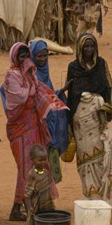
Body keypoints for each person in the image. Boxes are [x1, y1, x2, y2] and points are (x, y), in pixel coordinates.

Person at [1, 42, 67, 221]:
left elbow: (39, 90)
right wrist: (31, 86)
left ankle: (29, 205)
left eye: (26, 56)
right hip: (19, 128)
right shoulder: (11, 75)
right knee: (25, 167)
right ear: (15, 57)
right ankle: (18, 207)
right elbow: (20, 97)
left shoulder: (30, 73)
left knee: (32, 165)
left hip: (32, 125)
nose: (24, 60)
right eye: (21, 57)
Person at [66, 33, 112, 210]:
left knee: (108, 156)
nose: (89, 50)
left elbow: (108, 88)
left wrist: (106, 110)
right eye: (86, 47)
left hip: (99, 119)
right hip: (81, 123)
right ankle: (92, 197)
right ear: (80, 48)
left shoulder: (101, 65)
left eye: (92, 46)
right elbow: (72, 95)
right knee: (87, 162)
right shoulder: (73, 67)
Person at [29, 39, 70, 183]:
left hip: (50, 126)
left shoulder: (45, 75)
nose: (42, 59)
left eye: (45, 56)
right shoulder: (32, 76)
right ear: (32, 57)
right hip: (39, 127)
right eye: (39, 56)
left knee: (49, 165)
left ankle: (48, 197)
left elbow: (49, 95)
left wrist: (62, 91)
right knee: (39, 162)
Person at [24, 144, 55, 225]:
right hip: (36, 205)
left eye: (44, 160)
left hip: (46, 202)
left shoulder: (46, 173)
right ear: (32, 160)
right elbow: (27, 194)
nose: (42, 162)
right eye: (39, 160)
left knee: (47, 222)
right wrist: (29, 208)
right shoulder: (32, 174)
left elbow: (48, 187)